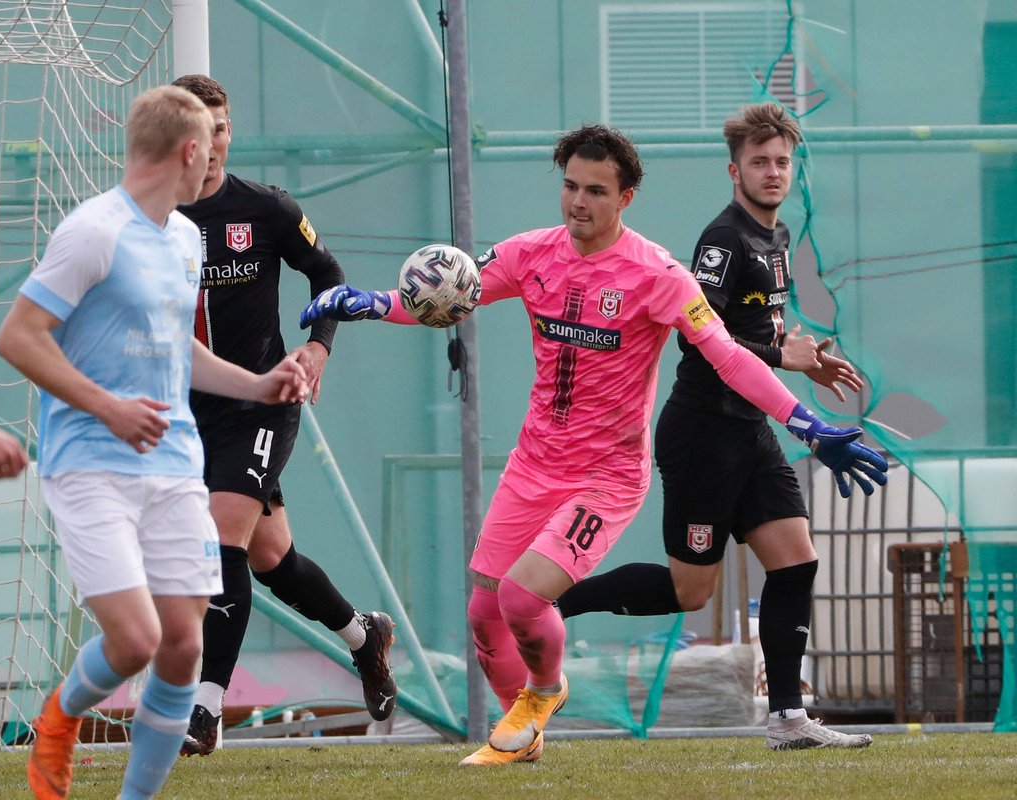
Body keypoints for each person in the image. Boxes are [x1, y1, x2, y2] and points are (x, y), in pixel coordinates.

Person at [299, 123, 887, 765]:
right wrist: (371, 302)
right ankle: (522, 747)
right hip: (532, 464)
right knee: (484, 613)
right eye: (571, 187)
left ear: (626, 197)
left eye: (596, 191)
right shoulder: (528, 253)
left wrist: (807, 423)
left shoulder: (658, 274)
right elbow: (451, 297)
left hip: (606, 476)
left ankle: (546, 690)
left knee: (522, 598)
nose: (579, 202)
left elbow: (726, 356)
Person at [0, 85, 309, 800]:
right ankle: (61, 714)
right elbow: (18, 336)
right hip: (91, 465)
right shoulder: (95, 230)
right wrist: (106, 406)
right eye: (214, 144)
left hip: (174, 466)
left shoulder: (183, 237)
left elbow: (178, 349)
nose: (217, 160)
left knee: (183, 646)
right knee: (134, 640)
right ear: (191, 151)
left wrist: (260, 385)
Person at [555, 102, 877, 750]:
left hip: (750, 429)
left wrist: (797, 351)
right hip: (701, 433)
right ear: (735, 170)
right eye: (759, 161)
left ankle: (787, 718)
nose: (772, 172)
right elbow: (702, 340)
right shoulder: (723, 240)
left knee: (795, 562)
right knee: (690, 591)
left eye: (782, 161)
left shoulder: (777, 238)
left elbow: (757, 329)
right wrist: (777, 355)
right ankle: (551, 603)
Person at [169, 74, 397, 757]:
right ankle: (364, 635)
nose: (214, 145)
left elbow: (327, 274)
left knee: (221, 542)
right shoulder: (150, 219)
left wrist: (317, 349)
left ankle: (205, 708)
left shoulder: (265, 210)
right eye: (200, 132)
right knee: (273, 559)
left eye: (224, 129)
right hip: (187, 413)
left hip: (265, 402)